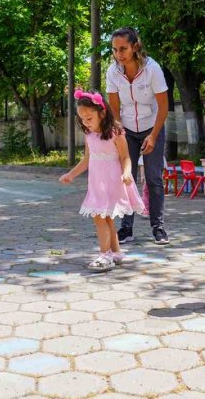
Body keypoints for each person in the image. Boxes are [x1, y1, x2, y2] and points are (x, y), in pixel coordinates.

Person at [59, 89, 145, 271]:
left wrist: (127, 173)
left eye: (89, 118)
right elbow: (87, 159)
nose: (85, 122)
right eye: (82, 118)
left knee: (99, 218)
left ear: (102, 113)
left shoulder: (116, 132)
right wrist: (72, 174)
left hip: (113, 181)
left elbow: (126, 158)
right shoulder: (89, 135)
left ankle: (104, 255)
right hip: (96, 184)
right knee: (106, 219)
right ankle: (116, 253)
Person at [106, 27, 170, 245]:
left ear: (135, 47)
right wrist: (119, 133)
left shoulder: (152, 69)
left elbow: (163, 106)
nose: (119, 54)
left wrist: (153, 135)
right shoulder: (113, 72)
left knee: (153, 178)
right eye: (115, 50)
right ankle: (126, 228)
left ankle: (158, 227)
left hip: (152, 126)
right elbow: (114, 107)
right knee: (126, 178)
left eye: (123, 48)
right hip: (127, 130)